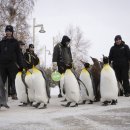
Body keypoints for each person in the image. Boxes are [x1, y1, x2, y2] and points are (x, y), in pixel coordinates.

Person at [0, 25, 23, 101]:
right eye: (7, 31)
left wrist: (21, 65)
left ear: (12, 32)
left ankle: (14, 94)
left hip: (12, 64)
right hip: (2, 64)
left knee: (14, 80)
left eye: (10, 31)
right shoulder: (2, 42)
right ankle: (1, 95)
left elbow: (19, 54)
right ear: (5, 32)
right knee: (1, 81)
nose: (8, 32)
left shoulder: (15, 42)